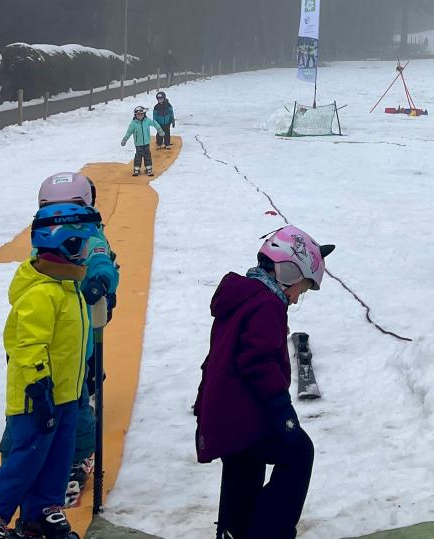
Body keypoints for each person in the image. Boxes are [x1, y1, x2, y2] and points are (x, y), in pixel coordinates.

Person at [0, 203, 102, 539]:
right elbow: (28, 347)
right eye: (82, 245)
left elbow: (73, 342)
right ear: (63, 244)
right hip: (37, 398)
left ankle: (42, 512)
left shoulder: (69, 289)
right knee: (26, 460)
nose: (85, 254)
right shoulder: (41, 295)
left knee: (57, 459)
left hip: (67, 395)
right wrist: (39, 388)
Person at [194, 226, 335, 539]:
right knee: (298, 452)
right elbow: (258, 363)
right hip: (244, 414)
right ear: (287, 271)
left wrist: (203, 399)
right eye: (303, 287)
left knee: (243, 469)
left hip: (226, 412)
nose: (298, 298)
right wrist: (282, 412)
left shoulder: (243, 296)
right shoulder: (267, 306)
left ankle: (233, 530)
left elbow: (220, 354)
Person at [6, 172, 119, 506]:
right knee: (31, 397)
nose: (59, 216)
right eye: (50, 208)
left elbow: (101, 262)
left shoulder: (90, 235)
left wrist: (99, 282)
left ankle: (77, 456)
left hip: (75, 331)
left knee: (76, 401)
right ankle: (18, 458)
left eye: (68, 207)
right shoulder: (45, 234)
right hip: (43, 326)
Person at [120, 106, 165, 177]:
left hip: (146, 143)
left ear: (144, 114)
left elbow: (155, 123)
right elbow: (129, 132)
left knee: (147, 156)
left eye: (141, 114)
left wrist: (160, 130)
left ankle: (148, 168)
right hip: (138, 144)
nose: (140, 116)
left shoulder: (147, 121)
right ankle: (136, 169)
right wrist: (125, 139)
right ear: (135, 115)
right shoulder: (133, 124)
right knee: (138, 156)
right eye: (138, 115)